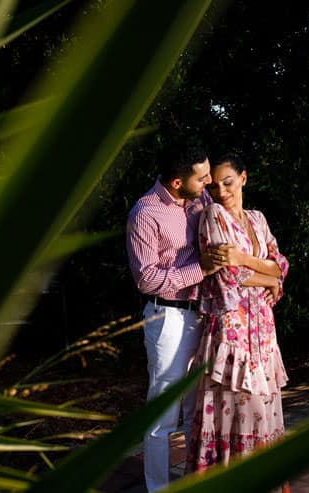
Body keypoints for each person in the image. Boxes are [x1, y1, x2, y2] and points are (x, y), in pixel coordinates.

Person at [185, 152, 290, 475]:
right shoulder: (213, 214)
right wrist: (268, 274)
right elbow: (228, 276)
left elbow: (281, 264)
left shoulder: (257, 218)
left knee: (265, 410)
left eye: (228, 183)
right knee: (240, 410)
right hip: (231, 330)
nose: (221, 192)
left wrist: (249, 262)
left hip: (263, 329)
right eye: (214, 186)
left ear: (244, 178)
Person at [126, 145, 220, 492]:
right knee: (163, 416)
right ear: (178, 182)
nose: (209, 181)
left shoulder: (201, 201)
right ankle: (159, 488)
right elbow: (146, 278)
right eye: (203, 177)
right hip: (168, 318)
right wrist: (200, 269)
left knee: (199, 411)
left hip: (205, 314)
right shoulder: (145, 213)